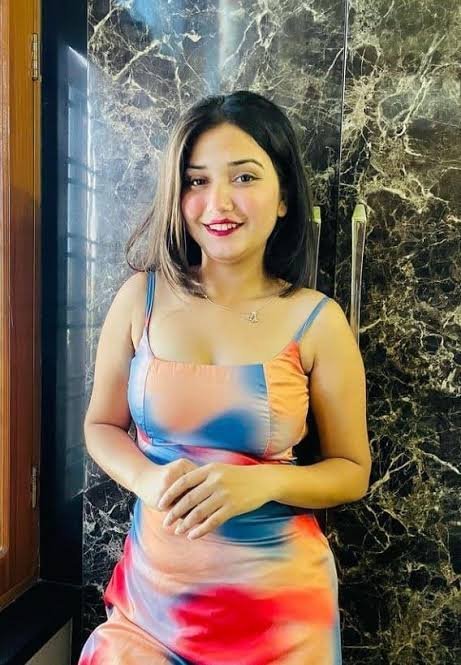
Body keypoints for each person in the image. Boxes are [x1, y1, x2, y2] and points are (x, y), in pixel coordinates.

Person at [78, 90, 371, 665]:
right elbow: (100, 426)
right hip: (152, 608)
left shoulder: (317, 320)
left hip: (280, 615)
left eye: (244, 177)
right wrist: (147, 479)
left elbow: (351, 470)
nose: (218, 202)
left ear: (283, 197)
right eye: (197, 180)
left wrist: (261, 484)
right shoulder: (141, 299)